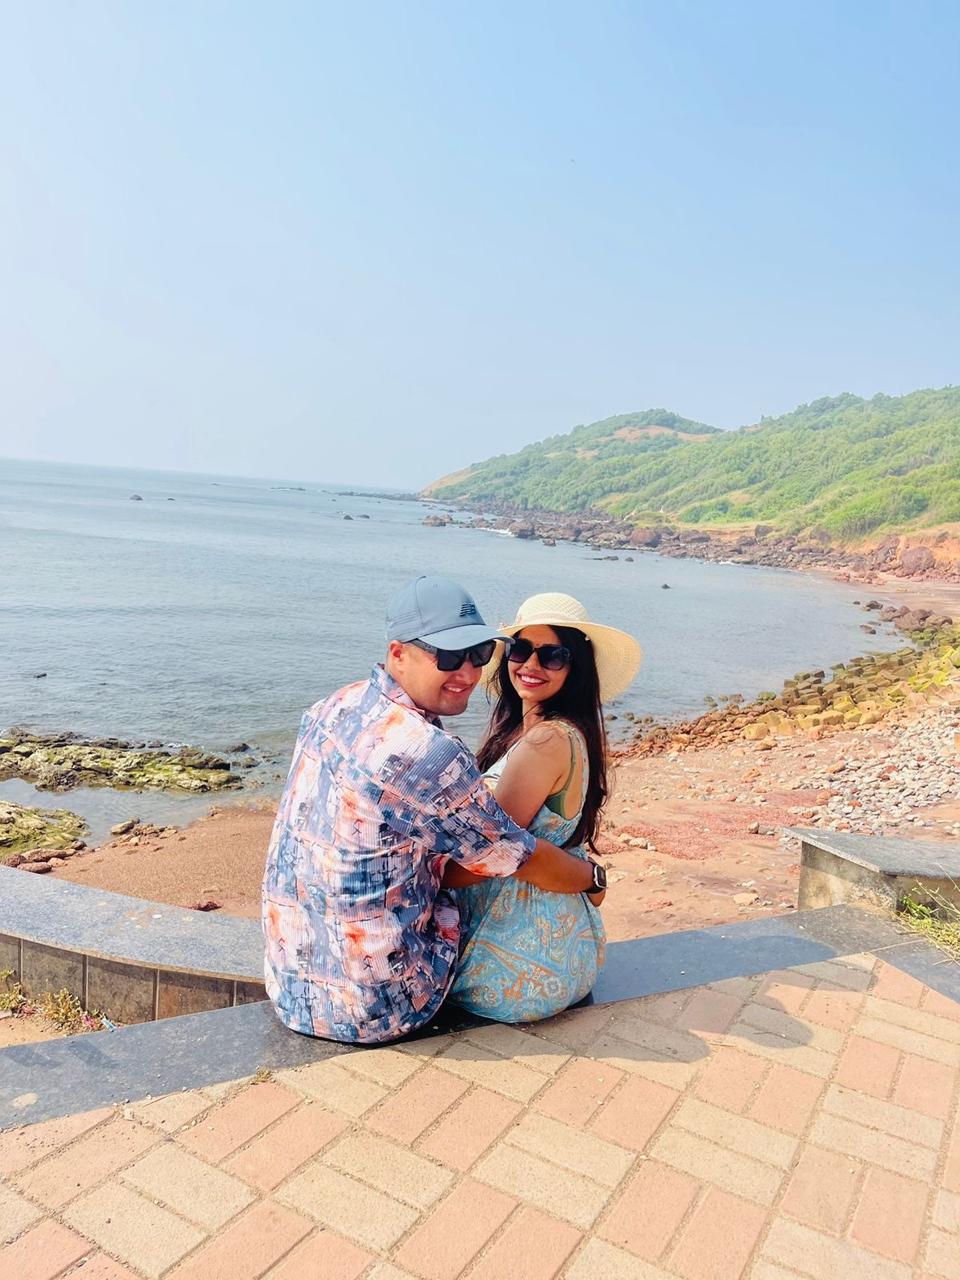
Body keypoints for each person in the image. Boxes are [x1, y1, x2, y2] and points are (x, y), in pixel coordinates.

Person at [261, 575, 605, 1045]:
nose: (467, 672)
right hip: (381, 1006)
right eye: (447, 656)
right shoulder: (430, 753)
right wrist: (593, 878)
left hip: (292, 987)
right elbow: (510, 858)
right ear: (398, 653)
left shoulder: (336, 704)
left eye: (478, 653)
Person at [447, 592, 642, 1022]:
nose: (531, 665)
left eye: (552, 655)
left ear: (575, 668)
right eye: (520, 649)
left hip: (516, 963)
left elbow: (489, 856)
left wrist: (414, 875)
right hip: (561, 946)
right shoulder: (548, 730)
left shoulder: (546, 740)